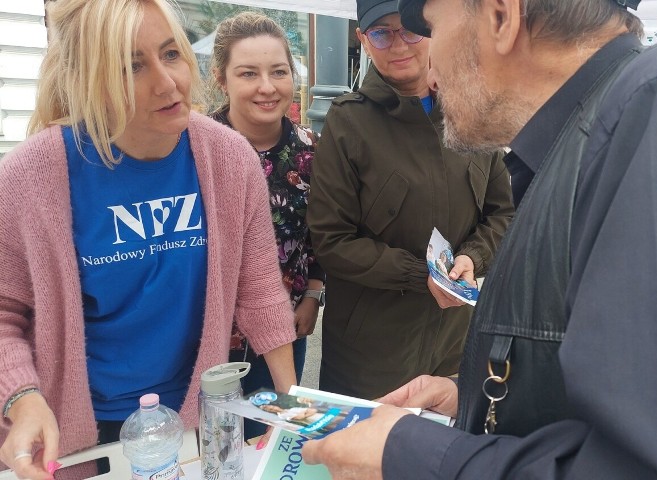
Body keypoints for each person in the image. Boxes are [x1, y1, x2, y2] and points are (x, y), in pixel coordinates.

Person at [301, 0, 657, 478]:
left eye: (433, 28)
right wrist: (476, 404)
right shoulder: (597, 135)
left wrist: (417, 455)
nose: (430, 67)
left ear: (500, 16)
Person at [0, 1, 298, 478]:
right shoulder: (30, 176)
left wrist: (290, 408)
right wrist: (21, 397)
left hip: (187, 420)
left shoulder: (227, 157)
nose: (167, 82)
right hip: (75, 432)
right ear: (86, 79)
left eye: (170, 54)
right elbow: (5, 312)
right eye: (131, 66)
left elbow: (259, 284)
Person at [306, 0, 513, 400]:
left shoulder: (472, 110)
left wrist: (471, 257)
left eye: (410, 30)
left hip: (454, 343)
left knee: (440, 453)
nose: (398, 44)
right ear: (363, 40)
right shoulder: (348, 123)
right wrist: (421, 275)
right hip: (370, 356)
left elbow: (503, 212)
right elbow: (332, 240)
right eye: (382, 33)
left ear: (434, 29)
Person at [208, 11, 325, 439]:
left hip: (285, 328)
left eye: (278, 72)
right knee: (212, 446)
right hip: (209, 336)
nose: (266, 87)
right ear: (221, 79)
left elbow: (322, 237)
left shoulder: (312, 151)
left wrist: (313, 294)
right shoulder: (194, 148)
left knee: (271, 437)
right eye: (248, 73)